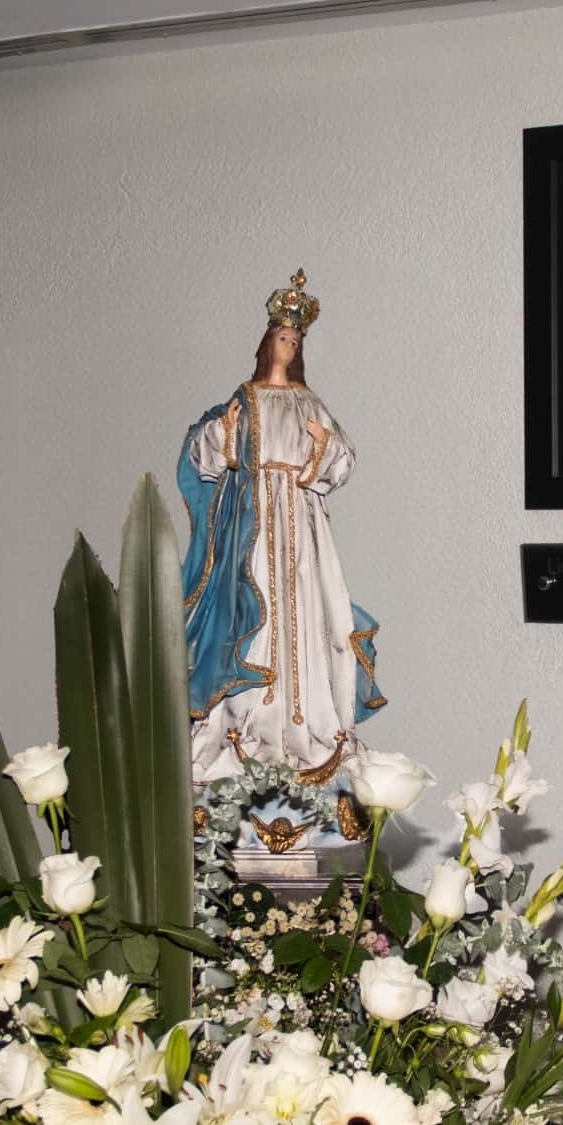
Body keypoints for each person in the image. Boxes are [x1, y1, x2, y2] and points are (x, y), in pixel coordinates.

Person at [179, 269, 385, 785]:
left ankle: (308, 722)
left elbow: (343, 459)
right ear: (268, 341)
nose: (288, 347)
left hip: (302, 524)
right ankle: (247, 725)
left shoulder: (310, 403)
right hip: (252, 526)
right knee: (256, 616)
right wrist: (223, 433)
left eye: (296, 340)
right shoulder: (245, 398)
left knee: (306, 615)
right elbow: (203, 453)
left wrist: (321, 445)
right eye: (282, 337)